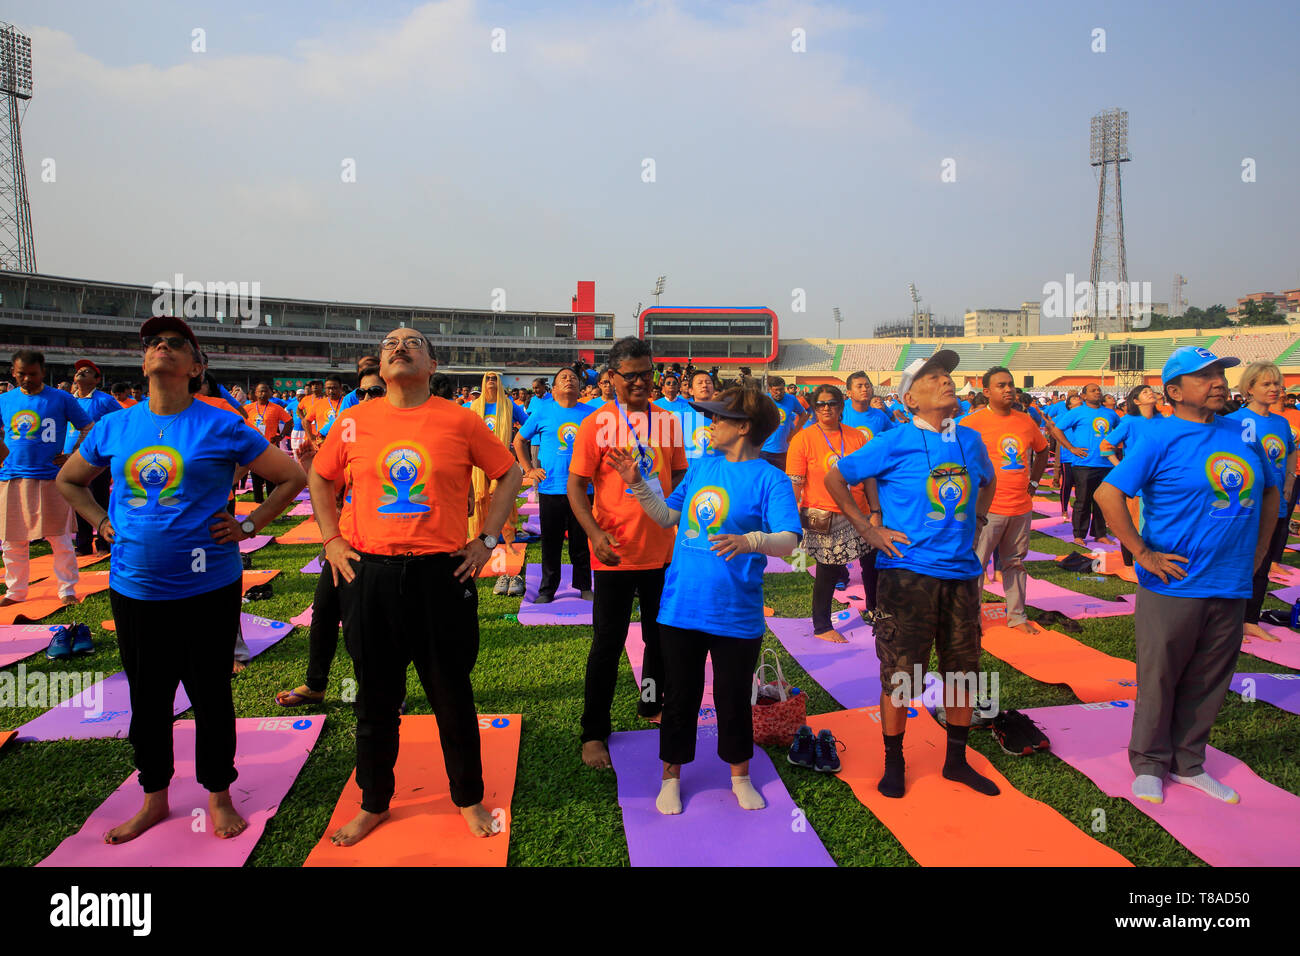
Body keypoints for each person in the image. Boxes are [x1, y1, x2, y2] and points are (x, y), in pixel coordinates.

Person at [56, 315, 306, 843]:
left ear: (196, 367)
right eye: (154, 343)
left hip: (208, 587)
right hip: (134, 587)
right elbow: (70, 480)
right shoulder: (116, 425)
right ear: (143, 360)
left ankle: (218, 794)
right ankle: (154, 797)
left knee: (211, 691)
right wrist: (102, 523)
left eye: (176, 344)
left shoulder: (220, 424)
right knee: (148, 696)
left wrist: (248, 524)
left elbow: (290, 477)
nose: (161, 348)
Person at [310, 327, 521, 844]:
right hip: (370, 574)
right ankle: (374, 802)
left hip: (440, 575)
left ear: (433, 365)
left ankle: (468, 798)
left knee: (452, 695)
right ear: (380, 368)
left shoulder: (460, 419)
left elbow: (509, 473)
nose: (399, 346)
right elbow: (320, 477)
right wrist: (332, 539)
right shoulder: (355, 420)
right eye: (389, 343)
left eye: (412, 342)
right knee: (375, 700)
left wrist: (487, 540)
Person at [1096, 347, 1277, 806]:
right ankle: (1150, 762)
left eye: (1220, 374)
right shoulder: (1158, 436)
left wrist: (1258, 553)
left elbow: (1272, 491)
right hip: (1174, 583)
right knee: (1161, 676)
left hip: (1231, 580)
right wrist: (1142, 552)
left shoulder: (1243, 433)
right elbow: (1108, 494)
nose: (1218, 382)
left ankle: (1189, 761)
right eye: (1205, 376)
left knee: (1210, 678)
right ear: (1174, 392)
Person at [605, 384, 799, 813]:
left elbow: (789, 540)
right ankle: (670, 777)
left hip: (736, 611)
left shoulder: (771, 478)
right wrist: (637, 483)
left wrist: (751, 540)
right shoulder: (700, 468)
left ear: (744, 427)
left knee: (732, 697)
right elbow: (667, 516)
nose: (710, 425)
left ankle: (740, 775)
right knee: (680, 696)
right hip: (681, 606)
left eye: (718, 419)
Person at [824, 350, 999, 799]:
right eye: (934, 378)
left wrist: (979, 520)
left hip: (961, 575)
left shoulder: (971, 441)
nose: (947, 382)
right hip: (906, 575)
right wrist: (868, 527)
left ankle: (956, 761)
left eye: (947, 376)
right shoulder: (894, 440)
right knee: (901, 674)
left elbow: (989, 480)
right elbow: (836, 478)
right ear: (910, 399)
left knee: (962, 672)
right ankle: (894, 760)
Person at [568, 336, 687, 769]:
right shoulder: (596, 423)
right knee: (608, 643)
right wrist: (594, 532)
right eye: (631, 375)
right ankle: (593, 732)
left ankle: (650, 704)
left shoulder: (670, 422)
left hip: (663, 551)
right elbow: (575, 487)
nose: (640, 382)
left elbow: (680, 478)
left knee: (661, 640)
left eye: (647, 373)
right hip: (614, 552)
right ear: (612, 377)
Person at [275, 369, 386, 708]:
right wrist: (311, 465)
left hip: (381, 546)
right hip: (345, 540)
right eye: (363, 392)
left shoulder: (401, 434)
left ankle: (382, 692)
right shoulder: (348, 432)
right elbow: (330, 487)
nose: (368, 398)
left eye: (376, 391)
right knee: (324, 612)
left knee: (368, 624)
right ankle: (315, 684)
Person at [0, 350, 94, 607]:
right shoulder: (5, 400)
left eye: (32, 374)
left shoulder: (61, 398)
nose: (27, 379)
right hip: (12, 476)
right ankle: (15, 591)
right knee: (12, 540)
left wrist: (74, 455)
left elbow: (88, 427)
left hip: (51, 478)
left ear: (43, 371)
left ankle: (67, 590)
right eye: (22, 374)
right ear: (13, 372)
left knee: (60, 538)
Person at [963, 367, 1048, 633]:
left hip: (1020, 507)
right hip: (986, 510)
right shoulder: (970, 424)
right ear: (987, 392)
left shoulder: (1025, 420)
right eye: (1001, 385)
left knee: (1014, 564)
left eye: (1010, 384)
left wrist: (1033, 483)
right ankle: (971, 620)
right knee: (977, 565)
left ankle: (1017, 617)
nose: (1008, 389)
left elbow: (1043, 451)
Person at [786, 384, 871, 640]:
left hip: (859, 512)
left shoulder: (857, 437)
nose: (826, 408)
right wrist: (790, 520)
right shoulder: (803, 438)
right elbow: (796, 482)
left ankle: (876, 611)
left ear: (840, 406)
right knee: (828, 569)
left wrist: (876, 511)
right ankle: (822, 625)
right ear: (813, 407)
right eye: (821, 404)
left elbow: (868, 478)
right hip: (824, 514)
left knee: (872, 565)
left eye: (832, 403)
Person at [513, 367, 594, 603]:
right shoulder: (542, 411)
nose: (569, 381)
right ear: (555, 388)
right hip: (552, 488)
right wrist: (529, 469)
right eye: (563, 378)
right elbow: (519, 440)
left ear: (580, 388)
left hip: (582, 489)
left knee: (581, 541)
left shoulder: (592, 414)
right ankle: (547, 589)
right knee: (551, 542)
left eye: (573, 378)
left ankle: (584, 586)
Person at [1227, 361, 1295, 644]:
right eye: (1266, 384)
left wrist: (1289, 484)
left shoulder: (1280, 422)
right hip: (1242, 506)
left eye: (1277, 383)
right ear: (1249, 388)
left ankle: (1250, 620)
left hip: (1274, 503)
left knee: (1263, 564)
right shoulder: (1234, 421)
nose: (1274, 389)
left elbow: (1290, 452)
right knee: (1236, 562)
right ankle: (1228, 621)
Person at [469, 371, 528, 597]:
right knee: (480, 499)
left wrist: (514, 443)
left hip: (501, 461)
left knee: (503, 502)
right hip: (477, 463)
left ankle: (508, 544)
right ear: (483, 383)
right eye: (488, 378)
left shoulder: (509, 404)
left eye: (495, 378)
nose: (492, 381)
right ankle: (480, 542)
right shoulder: (473, 407)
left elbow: (527, 425)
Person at [1048, 383, 1118, 546]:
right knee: (1083, 500)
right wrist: (1071, 448)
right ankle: (1079, 534)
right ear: (1084, 396)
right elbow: (1057, 430)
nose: (1097, 392)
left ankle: (1099, 533)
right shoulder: (1077, 412)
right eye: (1093, 390)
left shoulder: (1110, 413)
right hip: (1084, 463)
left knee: (1102, 501)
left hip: (1106, 464)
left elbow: (1122, 430)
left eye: (1099, 390)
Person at [65, 360, 124, 555]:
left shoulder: (105, 400)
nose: (81, 372)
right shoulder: (68, 400)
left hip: (97, 460)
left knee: (99, 500)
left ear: (97, 379)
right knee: (79, 500)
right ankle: (83, 544)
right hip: (72, 459)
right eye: (79, 371)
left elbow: (123, 421)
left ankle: (104, 542)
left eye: (87, 371)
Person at [1099, 385, 1160, 567]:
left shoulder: (1163, 420)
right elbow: (1105, 447)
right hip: (1138, 482)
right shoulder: (1129, 422)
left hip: (1160, 480)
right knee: (1134, 525)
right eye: (1144, 392)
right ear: (1136, 401)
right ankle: (1129, 564)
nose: (1150, 393)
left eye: (1151, 390)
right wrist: (1121, 467)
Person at [244, 383, 292, 502]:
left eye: (265, 391)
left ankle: (271, 502)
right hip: (253, 447)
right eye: (260, 391)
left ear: (270, 393)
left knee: (271, 476)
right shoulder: (248, 408)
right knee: (256, 477)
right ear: (255, 393)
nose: (263, 394)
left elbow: (289, 421)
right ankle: (258, 502)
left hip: (270, 448)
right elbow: (239, 421)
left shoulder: (276, 408)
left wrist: (280, 436)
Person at [759, 376, 806, 471]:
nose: (779, 393)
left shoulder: (791, 399)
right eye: (776, 390)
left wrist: (794, 433)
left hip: (783, 451)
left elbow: (803, 415)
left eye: (781, 390)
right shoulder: (763, 400)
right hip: (763, 450)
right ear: (769, 389)